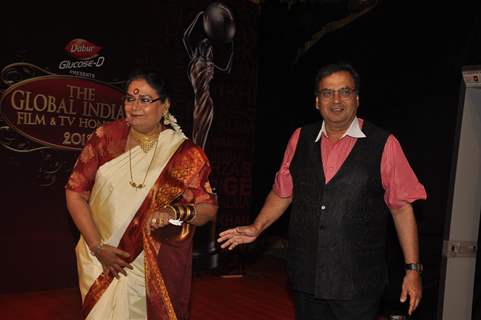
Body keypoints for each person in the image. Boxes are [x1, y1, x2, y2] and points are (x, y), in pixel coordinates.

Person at [218, 63, 426, 320]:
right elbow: (283, 193)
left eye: (345, 92)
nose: (336, 100)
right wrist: (257, 227)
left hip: (358, 284)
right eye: (327, 93)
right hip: (307, 279)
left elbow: (402, 208)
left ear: (357, 99)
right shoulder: (299, 138)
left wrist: (413, 269)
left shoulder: (384, 143)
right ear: (317, 101)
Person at [66, 68, 218, 320]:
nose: (134, 107)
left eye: (145, 100)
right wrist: (97, 247)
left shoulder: (184, 155)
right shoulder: (105, 138)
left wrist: (173, 211)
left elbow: (208, 209)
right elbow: (75, 193)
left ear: (165, 104)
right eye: (129, 98)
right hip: (98, 256)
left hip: (146, 264)